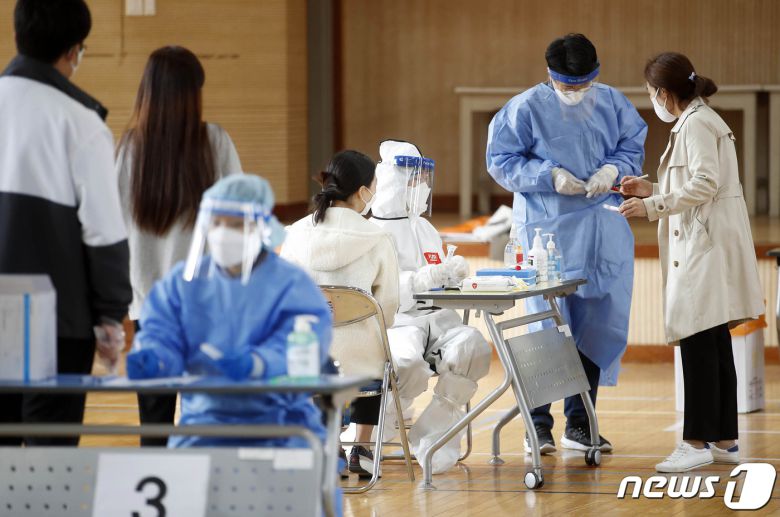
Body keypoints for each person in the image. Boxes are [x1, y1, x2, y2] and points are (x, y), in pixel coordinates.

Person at [486, 33, 647, 454]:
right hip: (546, 227)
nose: (574, 93)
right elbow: (502, 161)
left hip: (600, 228)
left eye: (581, 85)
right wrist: (548, 175)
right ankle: (537, 426)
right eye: (566, 86)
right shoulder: (524, 109)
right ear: (551, 76)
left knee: (597, 323)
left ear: (595, 74)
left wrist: (614, 170)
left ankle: (581, 422)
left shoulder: (613, 103)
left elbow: (631, 144)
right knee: (544, 326)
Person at [620, 52, 763, 473]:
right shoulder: (699, 119)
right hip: (708, 244)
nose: (652, 100)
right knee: (714, 343)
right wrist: (651, 188)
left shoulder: (698, 123)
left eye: (651, 93)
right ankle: (724, 440)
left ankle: (695, 442)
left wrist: (653, 205)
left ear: (664, 92)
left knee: (701, 345)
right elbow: (696, 177)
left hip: (705, 248)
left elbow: (705, 182)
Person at [0, 0, 131, 445]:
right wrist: (111, 317)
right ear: (75, 50)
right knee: (47, 461)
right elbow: (104, 233)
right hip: (55, 323)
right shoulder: (81, 123)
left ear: (17, 37)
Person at [116, 45, 242, 447]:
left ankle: (158, 501)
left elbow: (114, 229)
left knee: (153, 419)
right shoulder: (214, 142)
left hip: (148, 304)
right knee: (207, 416)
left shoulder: (128, 150)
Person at [369, 139, 492, 476]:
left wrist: (451, 275)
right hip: (399, 322)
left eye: (423, 179)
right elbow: (377, 295)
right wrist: (417, 282)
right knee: (405, 364)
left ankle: (434, 435)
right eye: (414, 179)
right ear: (394, 180)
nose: (421, 186)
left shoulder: (423, 226)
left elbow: (437, 274)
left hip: (438, 319)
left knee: (473, 347)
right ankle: (384, 426)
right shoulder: (373, 233)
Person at [281, 150, 400, 477]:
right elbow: (387, 308)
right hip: (362, 364)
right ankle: (361, 447)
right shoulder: (378, 237)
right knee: (375, 351)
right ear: (362, 191)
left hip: (308, 359)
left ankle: (329, 443)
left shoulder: (295, 233)